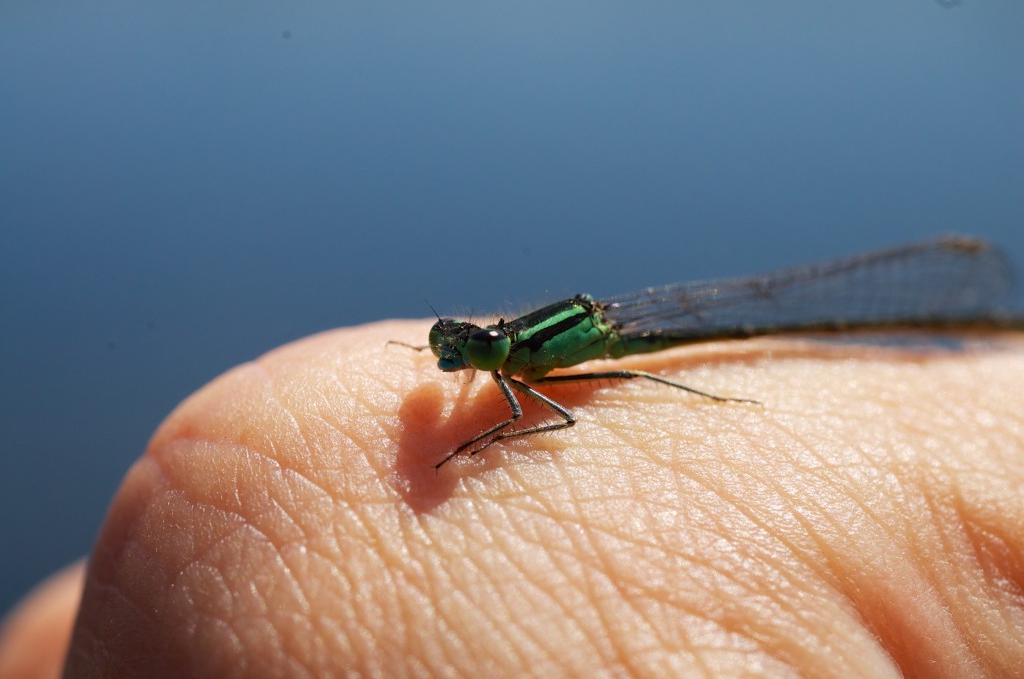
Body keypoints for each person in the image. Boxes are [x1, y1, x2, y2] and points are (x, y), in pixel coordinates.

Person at [2, 322, 1023, 678]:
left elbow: (562, 419)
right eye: (463, 351)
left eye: (470, 353)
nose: (459, 361)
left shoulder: (524, 379)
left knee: (653, 377)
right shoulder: (490, 353)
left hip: (633, 349)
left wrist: (488, 434)